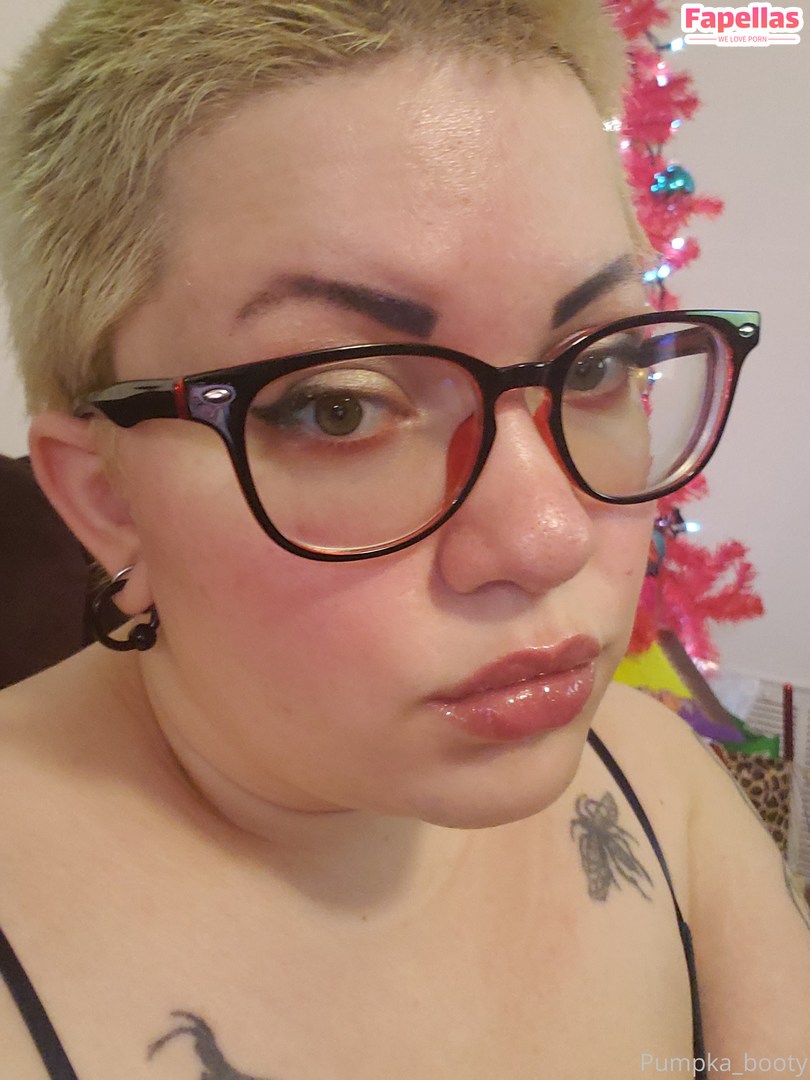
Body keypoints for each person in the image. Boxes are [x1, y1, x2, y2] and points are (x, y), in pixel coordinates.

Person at [0, 1, 807, 1076]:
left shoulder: (659, 778)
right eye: (338, 407)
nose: (547, 538)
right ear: (108, 499)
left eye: (601, 364)